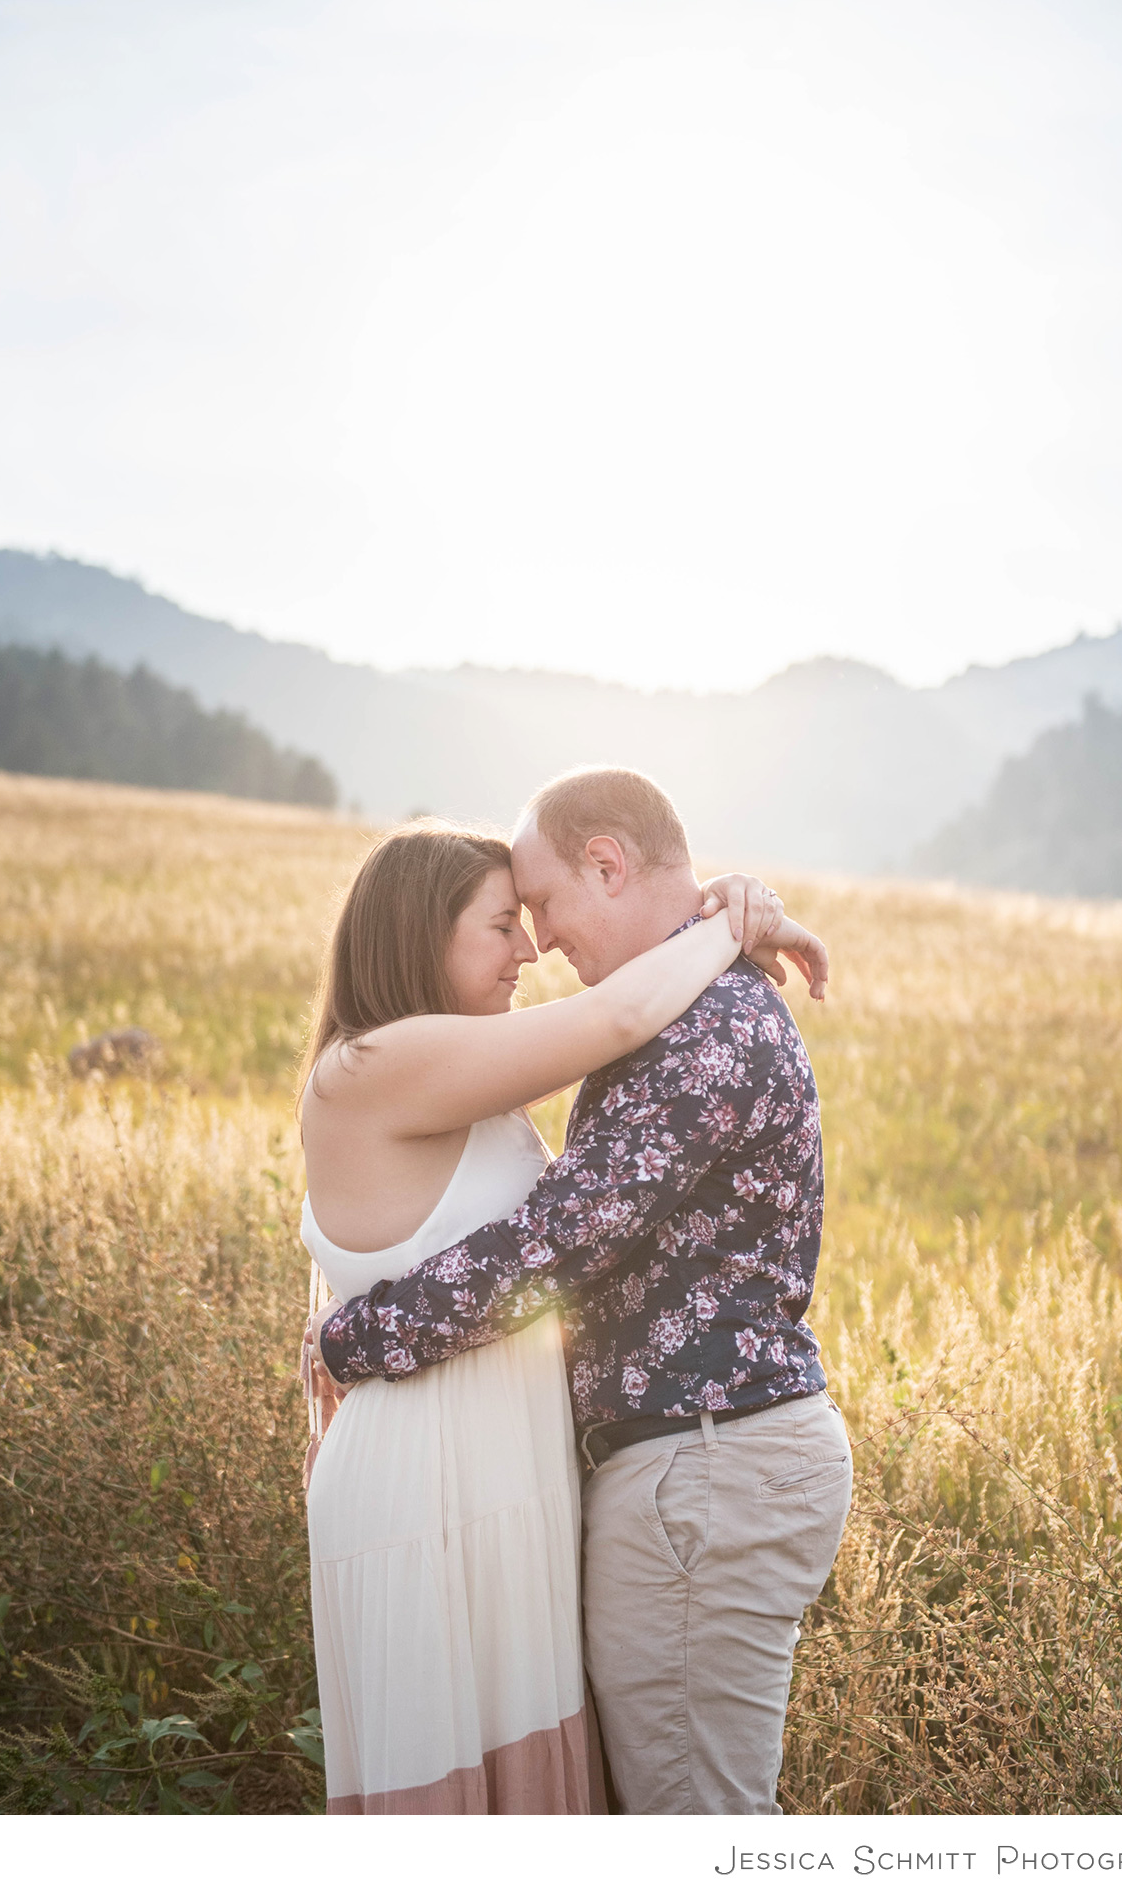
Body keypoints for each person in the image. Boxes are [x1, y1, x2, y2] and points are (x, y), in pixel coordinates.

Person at [315, 767, 852, 1816]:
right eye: (510, 920)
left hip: (705, 1463)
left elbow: (565, 1241)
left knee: (698, 1825)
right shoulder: (683, 1008)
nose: (542, 942)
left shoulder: (708, 1026)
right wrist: (735, 907)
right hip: (682, 1465)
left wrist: (361, 1335)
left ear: (608, 862)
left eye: (545, 904)